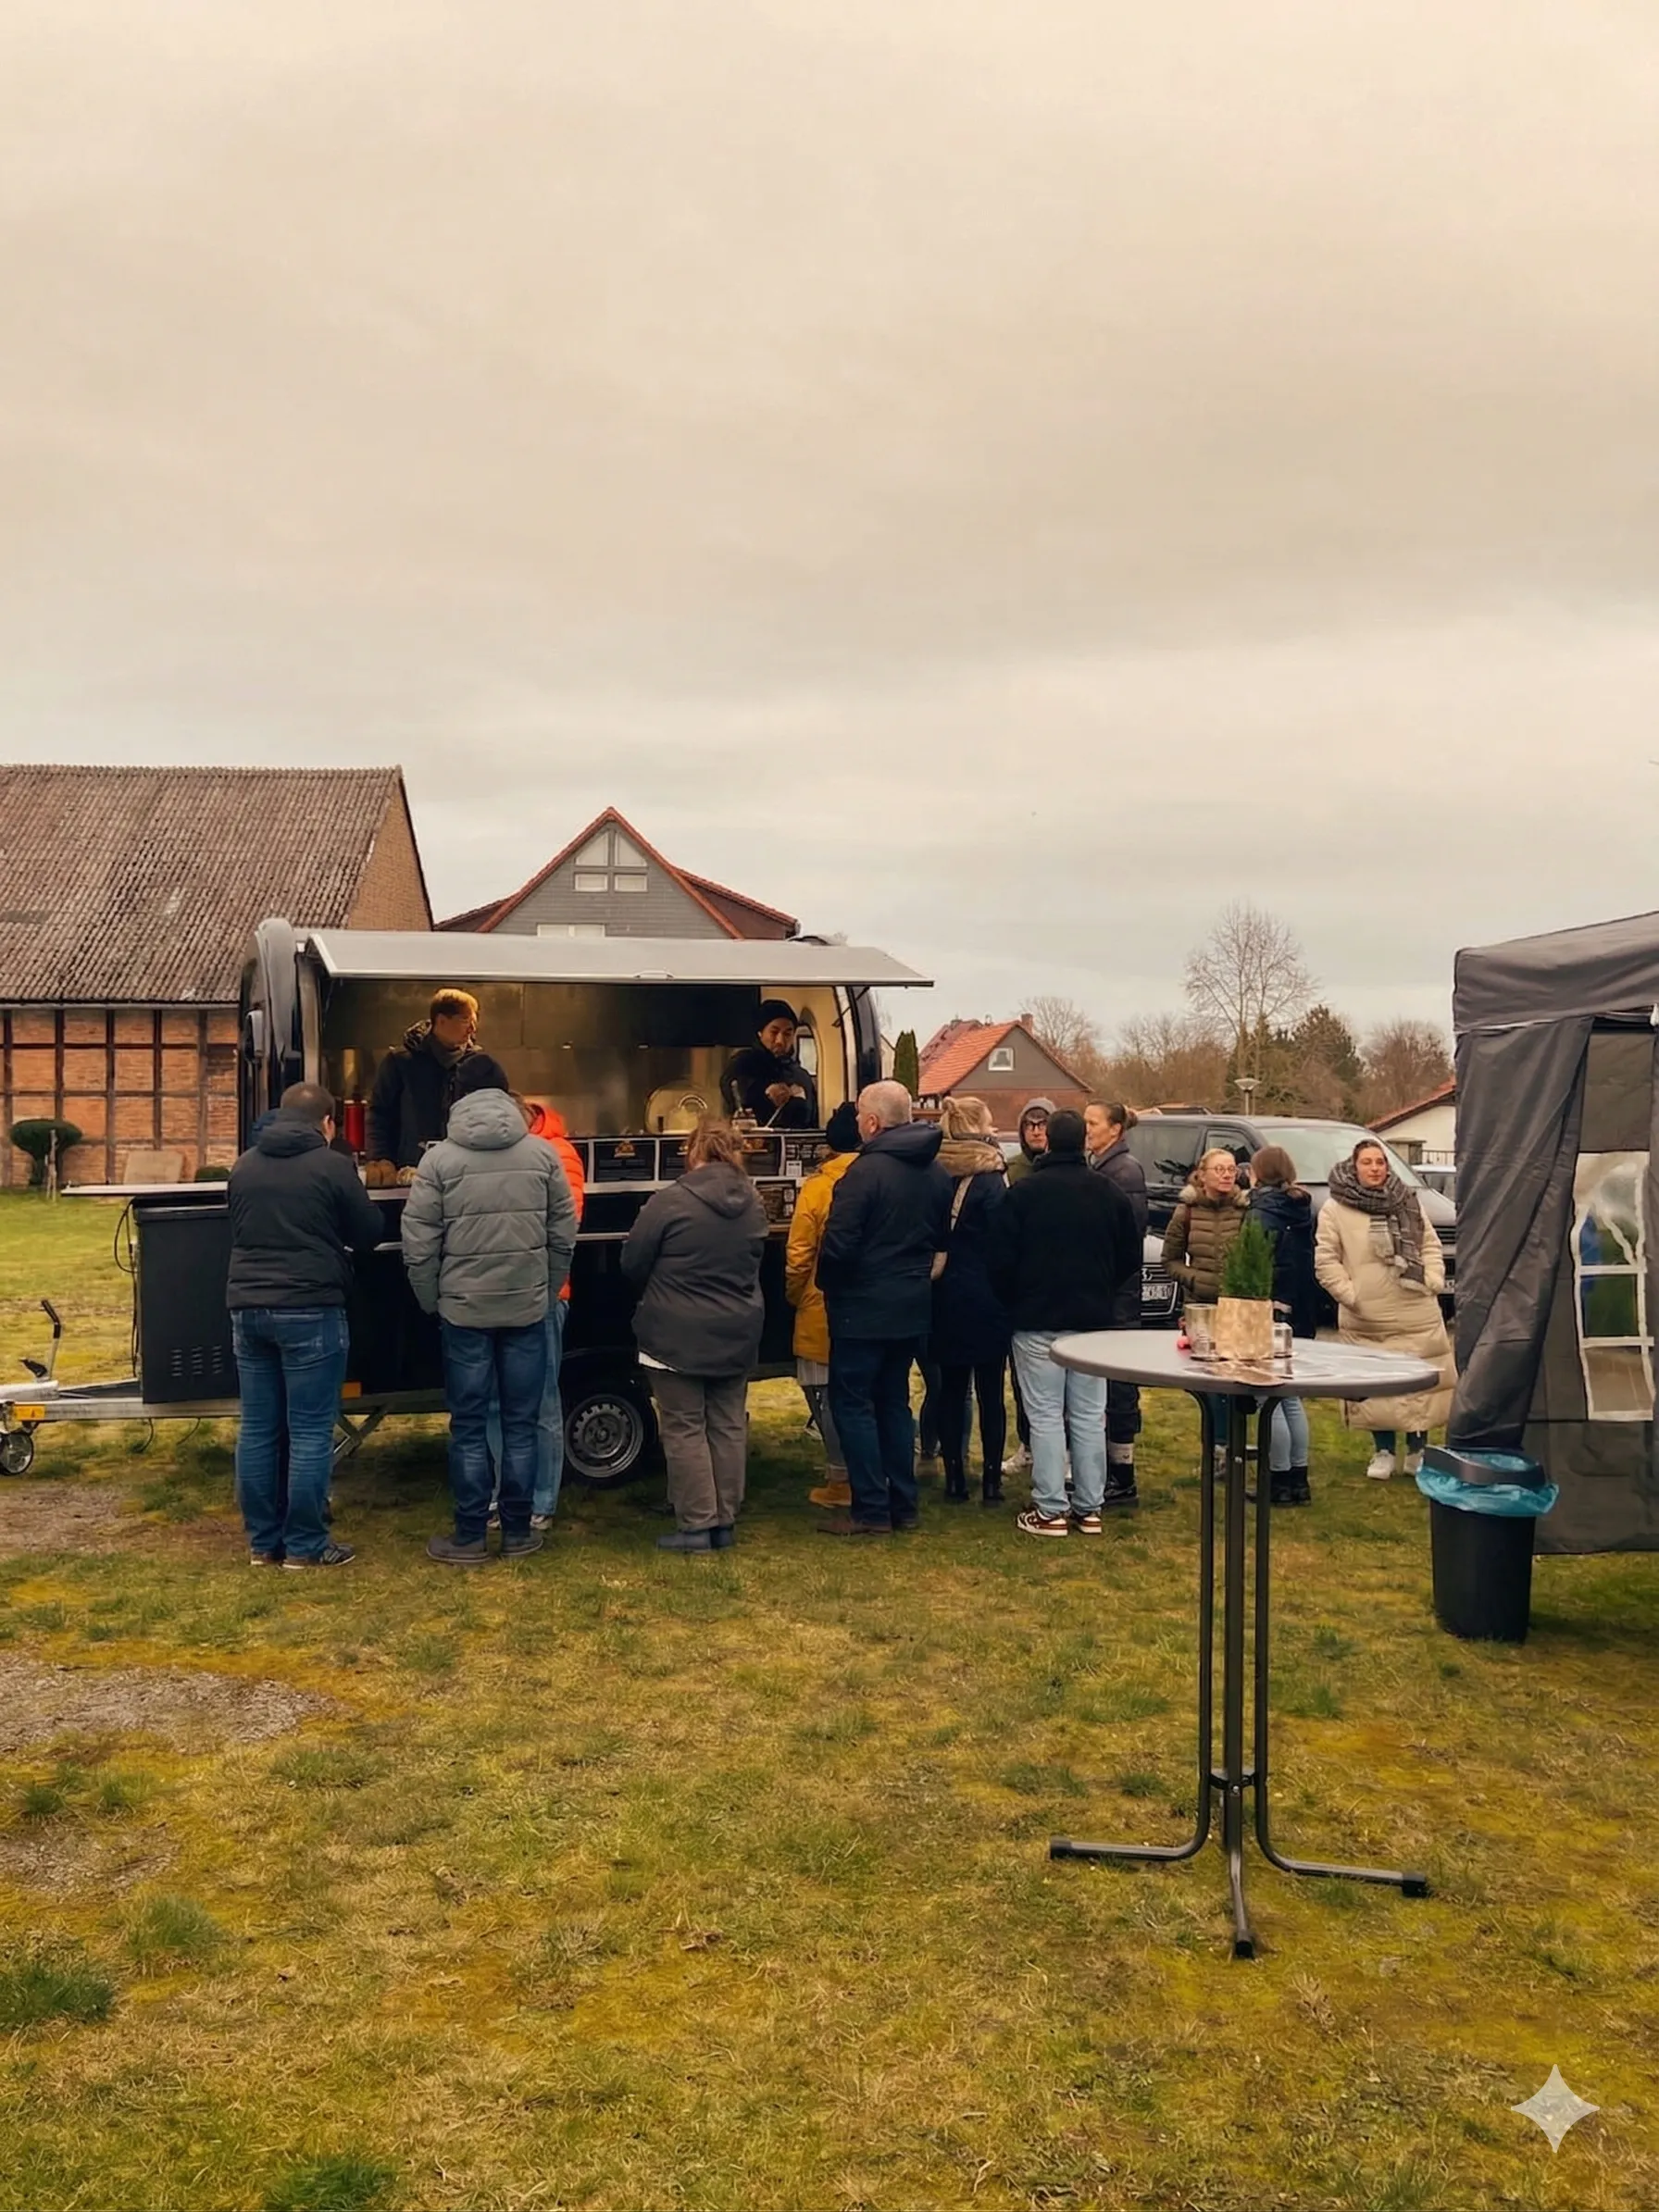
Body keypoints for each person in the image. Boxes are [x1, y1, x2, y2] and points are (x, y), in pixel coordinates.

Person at [401, 1087, 577, 1563]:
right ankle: (519, 1532)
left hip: (463, 1313)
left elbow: (417, 1241)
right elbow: (564, 1231)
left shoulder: (438, 1161)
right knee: (522, 1423)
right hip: (526, 1309)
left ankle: (471, 1534)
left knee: (470, 1425)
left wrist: (432, 1300)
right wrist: (546, 1286)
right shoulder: (543, 1155)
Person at [226, 1082, 383, 1569]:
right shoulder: (332, 1165)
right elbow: (369, 1233)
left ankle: (262, 1544)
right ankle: (305, 1546)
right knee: (311, 1430)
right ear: (328, 1123)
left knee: (257, 1428)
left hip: (247, 1308)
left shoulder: (244, 1165)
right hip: (310, 1307)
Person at [988, 1109, 1141, 1536]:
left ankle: (1051, 1508)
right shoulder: (1108, 1193)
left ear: (1049, 1142)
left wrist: (1014, 1297)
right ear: (1083, 1143)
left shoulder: (1023, 1194)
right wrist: (1101, 1288)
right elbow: (1129, 1255)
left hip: (1036, 1319)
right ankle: (1089, 1507)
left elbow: (998, 1258)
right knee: (1091, 1415)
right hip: (1091, 1320)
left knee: (1046, 1415)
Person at [621, 1116, 767, 1552]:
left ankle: (697, 1526)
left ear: (693, 1151)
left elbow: (632, 1262)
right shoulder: (755, 1201)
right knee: (727, 1425)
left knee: (684, 1427)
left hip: (675, 1334)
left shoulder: (671, 1201)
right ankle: (724, 1520)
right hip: (738, 1329)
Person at [816, 1081, 951, 1535]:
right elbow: (938, 1239)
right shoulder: (935, 1172)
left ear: (873, 1122)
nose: (855, 1123)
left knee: (853, 1404)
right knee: (894, 1401)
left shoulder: (863, 1173)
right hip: (911, 1304)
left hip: (861, 1306)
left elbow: (838, 1244)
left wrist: (830, 1288)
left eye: (858, 1116)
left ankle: (871, 1508)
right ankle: (903, 1504)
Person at [1316, 1137, 1453, 1479]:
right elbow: (1327, 1259)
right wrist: (1351, 1295)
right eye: (1368, 1162)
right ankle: (1383, 1451)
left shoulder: (1407, 1202)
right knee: (1376, 1388)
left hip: (1415, 1308)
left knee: (1419, 1382)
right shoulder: (1336, 1209)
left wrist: (1433, 1278)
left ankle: (1418, 1452)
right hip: (1367, 1316)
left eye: (1380, 1162)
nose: (1375, 1168)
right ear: (1354, 1166)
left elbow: (1429, 1245)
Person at [505, 1100, 587, 1528]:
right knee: (497, 1403)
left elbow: (568, 1224)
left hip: (545, 1293)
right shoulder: (510, 1151)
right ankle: (507, 1498)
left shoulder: (560, 1152)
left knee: (541, 1402)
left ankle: (540, 1502)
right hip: (505, 1291)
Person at [929, 1096, 1012, 1506]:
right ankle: (992, 1481)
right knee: (991, 1393)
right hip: (988, 1294)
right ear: (979, 1126)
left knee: (950, 1389)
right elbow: (1004, 1240)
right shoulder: (992, 1178)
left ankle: (954, 1478)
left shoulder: (934, 1171)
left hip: (945, 1293)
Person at [785, 1101, 862, 1509]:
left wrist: (797, 1296)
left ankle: (841, 1479)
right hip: (871, 1306)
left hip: (821, 1306)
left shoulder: (817, 1187)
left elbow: (799, 1254)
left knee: (825, 1395)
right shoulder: (880, 1178)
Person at [366, 988, 512, 1176]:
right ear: (442, 1020)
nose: (472, 1029)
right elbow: (380, 1113)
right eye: (466, 1021)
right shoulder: (401, 1062)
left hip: (465, 1170)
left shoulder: (478, 1065)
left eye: (475, 1023)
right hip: (411, 1171)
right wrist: (380, 1158)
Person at [1084, 1100, 1148, 1507]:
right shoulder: (1105, 1167)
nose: (1088, 1129)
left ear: (1115, 1130)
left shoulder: (1124, 1172)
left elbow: (1127, 1237)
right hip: (1109, 1291)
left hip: (1117, 1296)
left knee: (1119, 1385)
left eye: (1093, 1123)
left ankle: (1122, 1475)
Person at [1247, 1145, 1318, 1505]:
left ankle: (1276, 1479)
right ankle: (1298, 1477)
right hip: (1297, 1306)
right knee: (1289, 1395)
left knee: (1266, 1396)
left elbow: (1254, 1260)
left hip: (1268, 1306)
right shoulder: (1302, 1207)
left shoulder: (1263, 1211)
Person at [1001, 1098, 1054, 1469]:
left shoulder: (1068, 1167)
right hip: (1020, 1284)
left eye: (1043, 1122)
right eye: (1029, 1123)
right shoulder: (1012, 1170)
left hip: (1056, 1282)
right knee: (1022, 1376)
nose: (1036, 1129)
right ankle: (1028, 1444)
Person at [1161, 1147, 1250, 1310]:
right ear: (1202, 1175)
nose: (1227, 1175)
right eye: (1219, 1169)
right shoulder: (1186, 1211)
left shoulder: (1244, 1210)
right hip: (1198, 1305)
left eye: (1232, 1169)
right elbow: (1170, 1260)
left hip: (1236, 1303)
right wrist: (1194, 1279)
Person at [720, 1000, 818, 1129]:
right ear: (760, 1033)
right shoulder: (742, 1064)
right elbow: (733, 1090)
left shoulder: (802, 1076)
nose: (780, 1040)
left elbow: (812, 1120)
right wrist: (764, 1092)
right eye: (774, 1032)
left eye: (787, 1034)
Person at [1004, 1098, 1053, 1186]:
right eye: (1029, 1125)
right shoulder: (1009, 1170)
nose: (1036, 1132)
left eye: (1043, 1125)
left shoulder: (1064, 1168)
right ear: (1022, 1131)